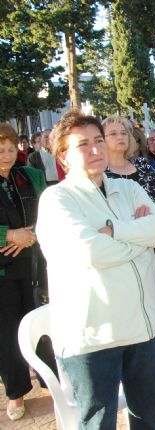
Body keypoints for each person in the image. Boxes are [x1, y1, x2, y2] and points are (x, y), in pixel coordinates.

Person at [36, 110, 155, 429]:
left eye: (99, 140)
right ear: (64, 156)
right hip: (93, 336)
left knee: (149, 417)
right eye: (83, 144)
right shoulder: (58, 200)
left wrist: (115, 230)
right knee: (98, 423)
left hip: (143, 327)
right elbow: (91, 251)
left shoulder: (127, 188)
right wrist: (139, 235)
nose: (96, 149)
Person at [0, 123, 48, 421]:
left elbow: (47, 209)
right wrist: (8, 235)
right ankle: (16, 393)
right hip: (3, 275)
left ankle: (50, 381)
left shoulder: (28, 175)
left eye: (9, 148)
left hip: (33, 264)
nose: (5, 155)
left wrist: (32, 235)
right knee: (6, 335)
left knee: (42, 327)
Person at [103, 116, 155, 203]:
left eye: (124, 133)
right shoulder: (100, 173)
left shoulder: (142, 164)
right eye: (113, 134)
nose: (120, 137)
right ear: (102, 140)